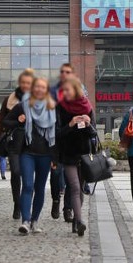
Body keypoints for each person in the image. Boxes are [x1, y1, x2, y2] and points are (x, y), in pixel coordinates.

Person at [3, 77, 57, 234]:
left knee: (39, 188)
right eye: (37, 87)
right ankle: (25, 221)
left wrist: (55, 158)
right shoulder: (22, 106)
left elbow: (57, 133)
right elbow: (6, 122)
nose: (39, 90)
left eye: (43, 87)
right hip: (27, 153)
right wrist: (18, 121)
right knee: (27, 185)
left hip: (46, 154)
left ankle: (34, 221)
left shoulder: (52, 109)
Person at [0, 68, 35, 219]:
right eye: (24, 82)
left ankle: (26, 203)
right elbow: (2, 121)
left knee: (27, 175)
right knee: (15, 172)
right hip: (14, 141)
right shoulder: (10, 99)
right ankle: (17, 204)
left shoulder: (38, 100)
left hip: (31, 143)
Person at [56, 77, 96, 236]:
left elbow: (93, 134)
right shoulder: (60, 107)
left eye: (68, 89)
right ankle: (79, 221)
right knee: (74, 186)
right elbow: (58, 133)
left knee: (80, 189)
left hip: (84, 153)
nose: (65, 93)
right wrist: (71, 124)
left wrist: (87, 124)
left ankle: (76, 221)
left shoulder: (87, 106)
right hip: (68, 153)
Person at [50, 63, 87, 221]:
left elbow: (89, 131)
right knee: (57, 175)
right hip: (58, 148)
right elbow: (54, 132)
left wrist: (86, 123)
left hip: (75, 150)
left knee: (74, 183)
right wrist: (70, 125)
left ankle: (68, 210)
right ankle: (56, 199)